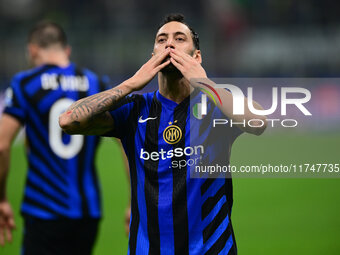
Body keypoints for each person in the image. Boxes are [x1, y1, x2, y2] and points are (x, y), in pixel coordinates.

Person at [59, 13, 267, 255]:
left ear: (196, 56)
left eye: (180, 39)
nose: (169, 44)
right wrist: (130, 84)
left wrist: (205, 83)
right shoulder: (135, 110)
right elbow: (68, 121)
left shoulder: (216, 107)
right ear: (152, 57)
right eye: (162, 40)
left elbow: (259, 121)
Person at [0, 21, 108, 255]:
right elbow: (125, 144)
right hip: (88, 210)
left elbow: (1, 145)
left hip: (43, 208)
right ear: (66, 51)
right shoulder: (96, 84)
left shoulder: (24, 83)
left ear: (32, 50)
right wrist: (133, 203)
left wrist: (1, 199)